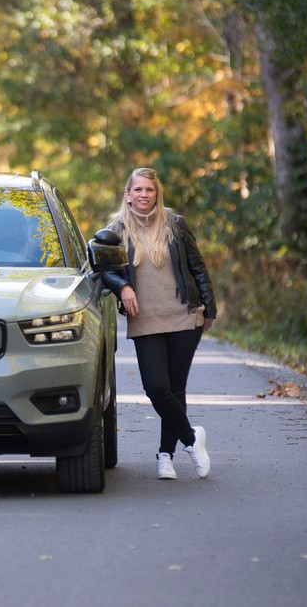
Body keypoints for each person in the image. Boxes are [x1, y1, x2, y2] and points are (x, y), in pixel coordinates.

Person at [102, 167, 217, 479]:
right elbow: (102, 270)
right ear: (127, 194)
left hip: (183, 314)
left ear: (157, 193)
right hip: (145, 319)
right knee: (156, 387)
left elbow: (197, 266)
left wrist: (209, 310)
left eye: (149, 190)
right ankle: (193, 439)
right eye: (137, 190)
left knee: (176, 389)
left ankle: (166, 455)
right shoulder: (115, 230)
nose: (143, 195)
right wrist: (122, 286)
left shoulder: (175, 224)